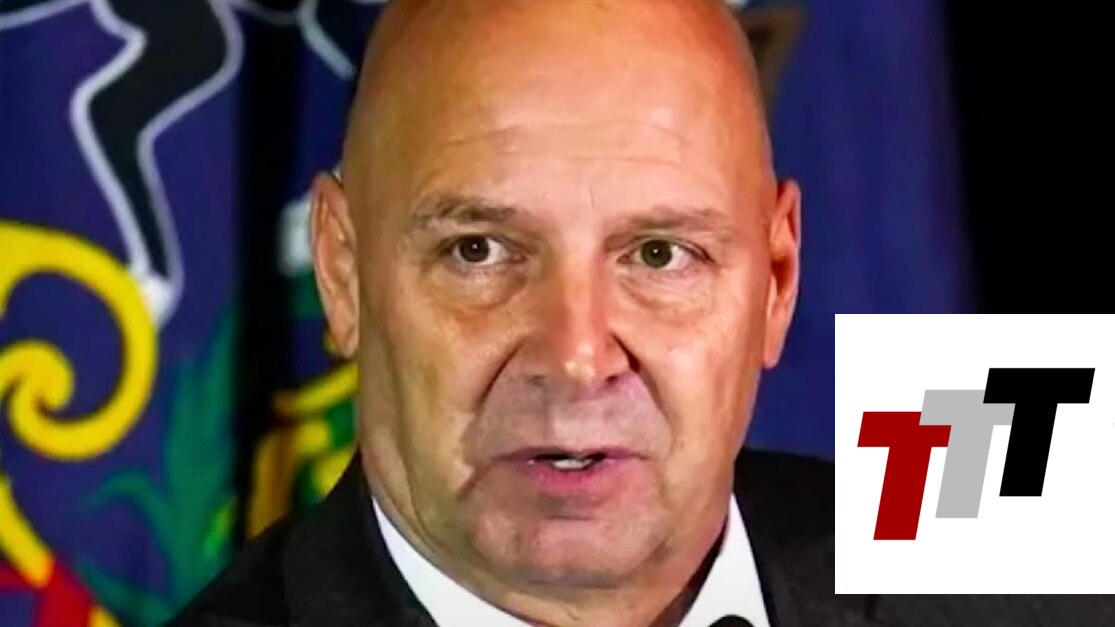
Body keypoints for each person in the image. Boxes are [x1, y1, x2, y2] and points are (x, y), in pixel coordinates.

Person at [169, 1, 1113, 625]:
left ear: (778, 277)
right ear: (342, 272)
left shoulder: (1010, 525)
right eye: (478, 250)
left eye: (659, 254)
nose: (578, 356)